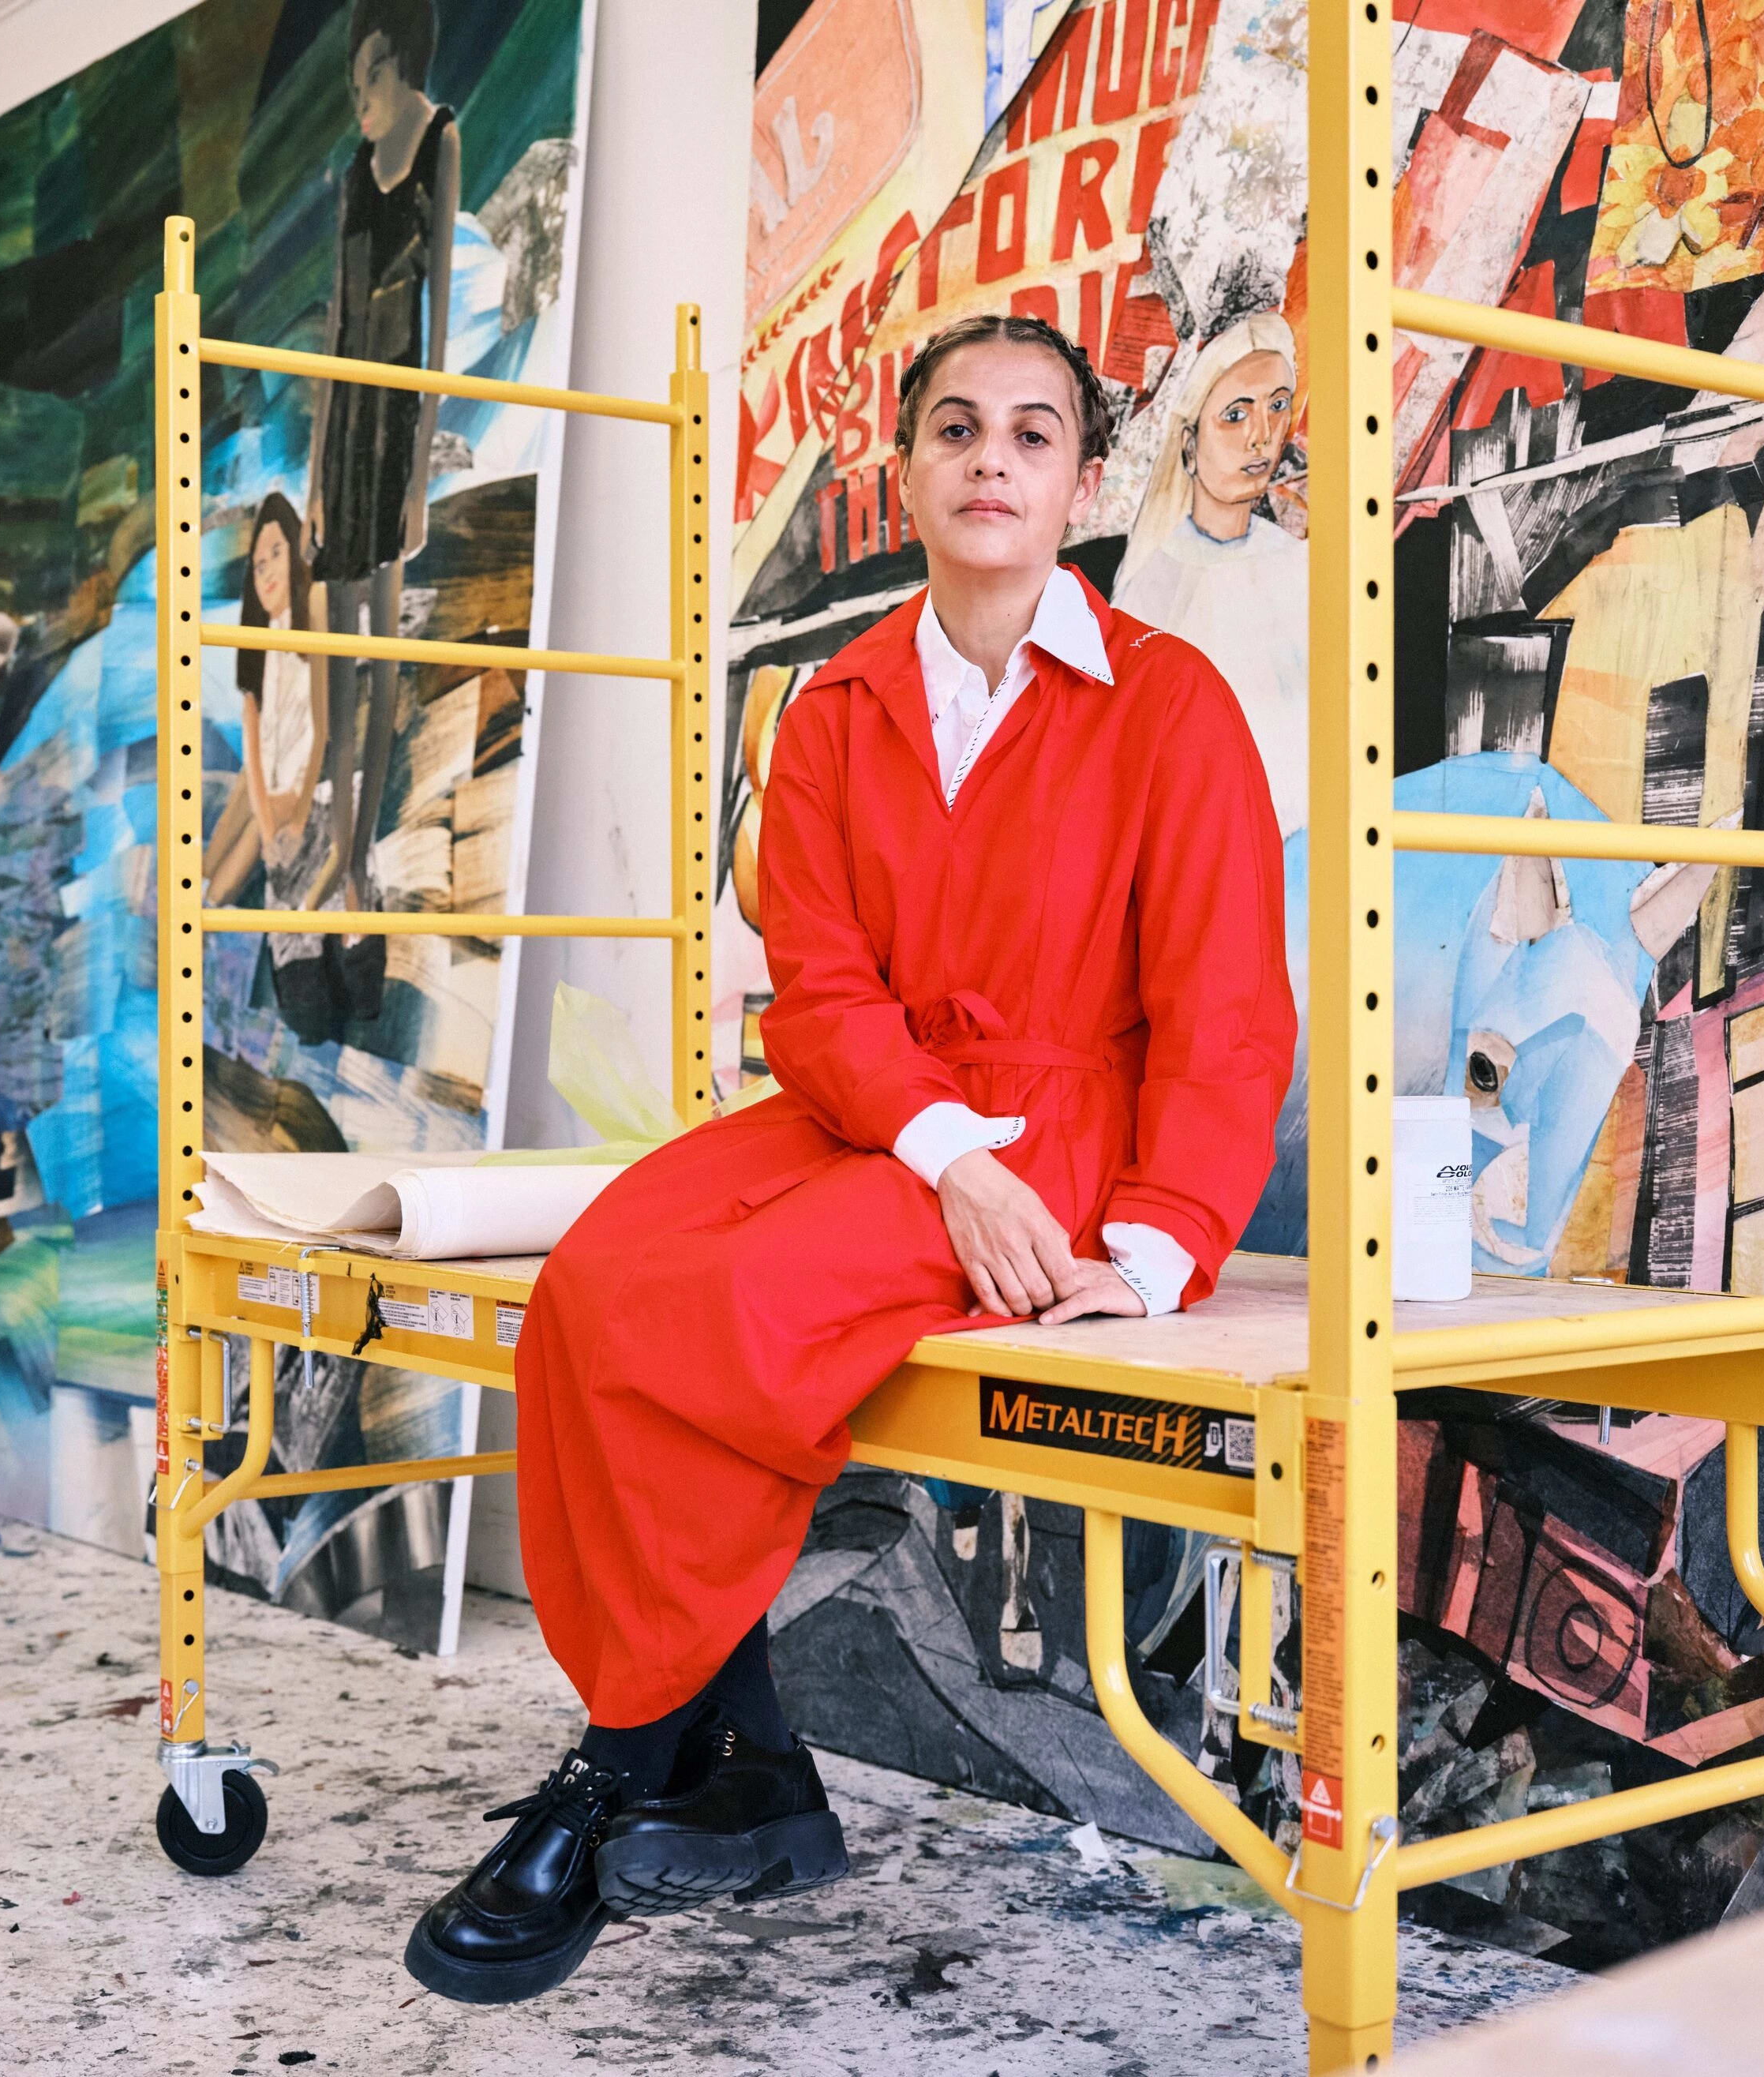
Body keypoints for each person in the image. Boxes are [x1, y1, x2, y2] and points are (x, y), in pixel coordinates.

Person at [401, 315, 1298, 2003]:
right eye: (954, 428)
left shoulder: (1168, 709)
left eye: (1031, 434)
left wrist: (1159, 1246)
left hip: (1053, 1142)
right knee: (594, 1283)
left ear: (1081, 480)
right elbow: (813, 985)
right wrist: (936, 1145)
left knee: (731, 1307)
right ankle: (742, 1761)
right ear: (905, 467)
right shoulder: (833, 707)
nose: (988, 459)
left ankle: (621, 1765)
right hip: (879, 1113)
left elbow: (1227, 1002)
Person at [309, 0, 458, 1028]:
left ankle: (361, 857)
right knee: (344, 650)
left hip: (399, 415)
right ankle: (341, 859)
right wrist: (320, 467)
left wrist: (415, 480)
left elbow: (441, 311)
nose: (357, 100)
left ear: (399, 69)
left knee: (385, 651)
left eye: (367, 78)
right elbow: (331, 312)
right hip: (349, 418)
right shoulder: (354, 177)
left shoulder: (441, 142)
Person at [1112, 313, 1309, 839]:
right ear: (1188, 444)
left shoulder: (1303, 566)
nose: (1262, 437)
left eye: (1277, 405)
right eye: (1235, 415)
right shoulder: (1151, 586)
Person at [230, 493, 342, 1042]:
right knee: (301, 997)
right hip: (276, 817)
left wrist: (296, 817)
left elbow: (321, 727)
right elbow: (252, 755)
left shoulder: (311, 620)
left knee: (320, 915)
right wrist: (271, 826)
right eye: (258, 562)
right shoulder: (253, 652)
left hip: (314, 799)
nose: (268, 569)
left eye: (277, 552)